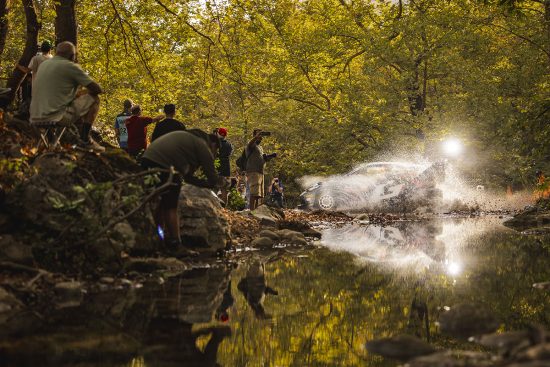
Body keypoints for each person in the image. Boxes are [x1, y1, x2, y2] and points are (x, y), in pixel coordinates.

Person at [140, 129, 226, 254]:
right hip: (164, 164)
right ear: (213, 144)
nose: (215, 154)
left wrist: (205, 184)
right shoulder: (203, 145)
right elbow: (213, 178)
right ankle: (175, 244)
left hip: (148, 159)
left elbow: (188, 177)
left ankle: (159, 239)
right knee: (171, 206)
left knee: (161, 202)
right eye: (216, 150)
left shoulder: (190, 142)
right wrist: (222, 183)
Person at [30, 41, 104, 152]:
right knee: (94, 99)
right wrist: (82, 92)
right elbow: (97, 89)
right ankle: (85, 140)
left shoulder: (44, 64)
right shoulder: (70, 66)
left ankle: (53, 143)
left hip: (35, 114)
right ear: (72, 56)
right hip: (57, 117)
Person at [246, 129, 276, 210]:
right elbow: (250, 144)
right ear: (254, 136)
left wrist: (271, 156)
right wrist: (256, 137)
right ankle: (252, 211)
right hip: (253, 171)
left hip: (260, 172)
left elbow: (263, 159)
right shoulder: (251, 145)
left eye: (261, 136)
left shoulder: (260, 147)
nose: (260, 137)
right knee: (254, 193)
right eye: (259, 135)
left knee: (258, 195)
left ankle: (256, 211)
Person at [215, 127, 233, 204]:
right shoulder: (229, 145)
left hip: (217, 166)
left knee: (215, 187)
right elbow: (229, 154)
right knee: (224, 189)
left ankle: (215, 205)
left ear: (218, 134)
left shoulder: (215, 143)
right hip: (226, 168)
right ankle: (224, 207)